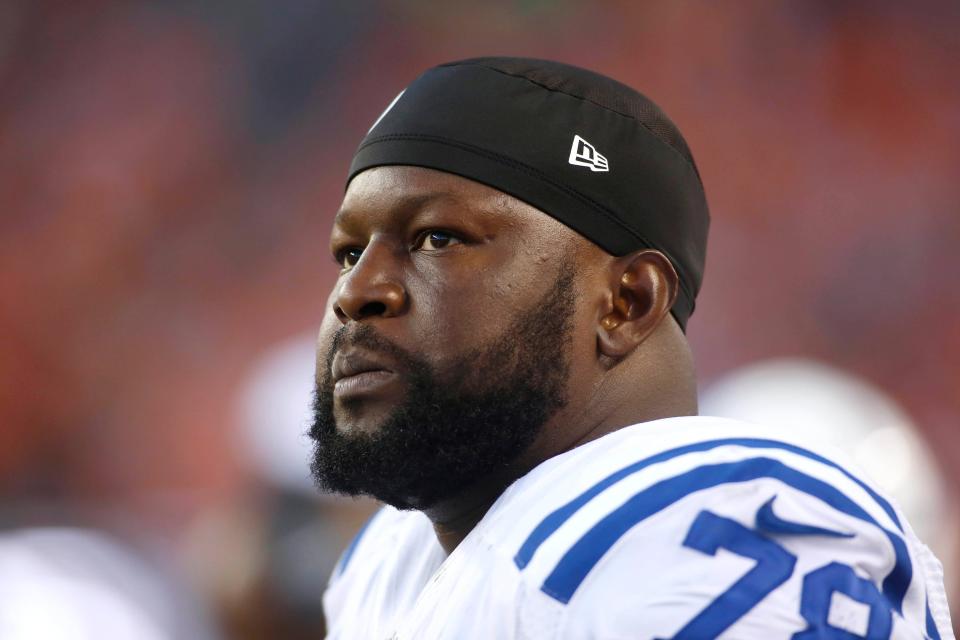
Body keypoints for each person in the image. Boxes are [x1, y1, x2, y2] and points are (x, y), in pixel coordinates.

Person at [307, 57, 953, 639]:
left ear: (628, 302)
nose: (357, 291)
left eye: (437, 239)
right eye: (348, 252)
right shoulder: (387, 563)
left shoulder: (705, 530)